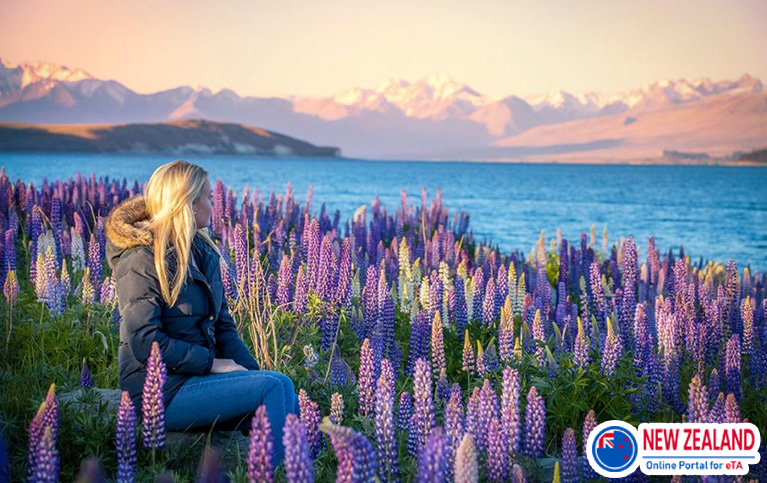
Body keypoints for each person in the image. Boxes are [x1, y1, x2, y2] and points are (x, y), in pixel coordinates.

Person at [105, 160, 298, 467]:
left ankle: (288, 470)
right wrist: (212, 363)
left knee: (280, 384)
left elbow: (223, 326)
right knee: (274, 387)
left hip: (195, 381)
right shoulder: (141, 257)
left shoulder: (201, 251)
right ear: (189, 204)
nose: (214, 204)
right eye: (208, 197)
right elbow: (144, 340)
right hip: (160, 392)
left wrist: (250, 373)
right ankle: (275, 474)